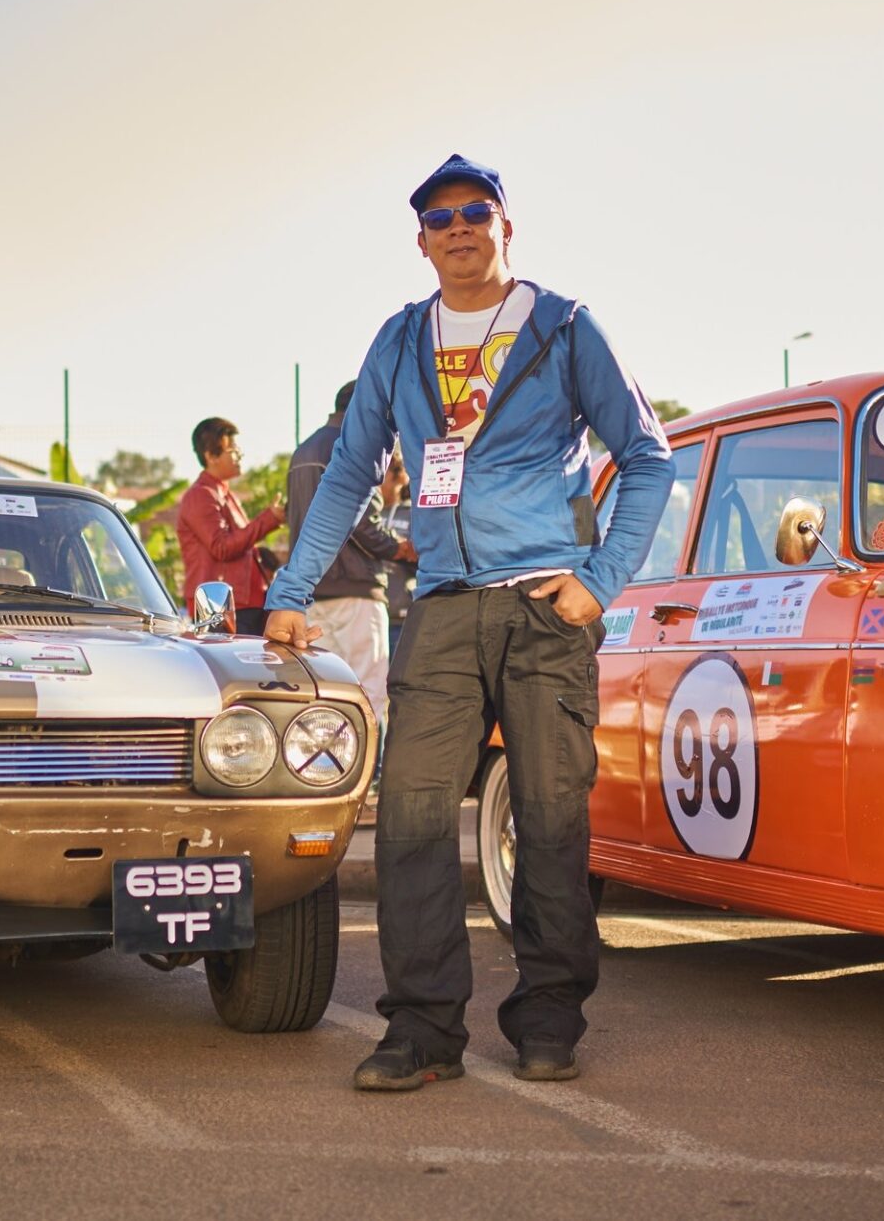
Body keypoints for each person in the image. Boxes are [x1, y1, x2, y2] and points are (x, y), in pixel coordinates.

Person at [264, 154, 673, 1092]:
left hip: (544, 608)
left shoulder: (565, 326)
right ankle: (420, 1031)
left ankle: (548, 1018)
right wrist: (290, 591)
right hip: (442, 608)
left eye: (476, 212)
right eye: (441, 217)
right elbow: (349, 470)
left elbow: (648, 458)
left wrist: (598, 582)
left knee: (549, 819)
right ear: (421, 240)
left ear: (505, 226)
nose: (459, 228)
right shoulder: (402, 340)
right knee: (410, 817)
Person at [287, 381, 415, 728]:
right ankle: (370, 778)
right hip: (356, 590)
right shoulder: (354, 444)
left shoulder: (303, 450)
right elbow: (363, 523)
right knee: (369, 692)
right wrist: (402, 548)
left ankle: (327, 777)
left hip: (312, 593)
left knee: (325, 695)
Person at [176, 416, 286, 636]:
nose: (239, 455)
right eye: (233, 451)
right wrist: (268, 519)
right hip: (220, 606)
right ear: (211, 456)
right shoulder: (201, 495)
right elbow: (221, 546)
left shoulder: (224, 494)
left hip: (243, 605)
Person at [378, 452, 413, 656]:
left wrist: (402, 550)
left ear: (399, 476)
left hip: (399, 619)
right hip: (368, 613)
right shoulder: (365, 514)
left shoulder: (413, 513)